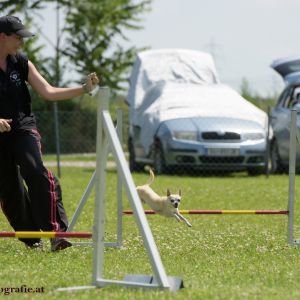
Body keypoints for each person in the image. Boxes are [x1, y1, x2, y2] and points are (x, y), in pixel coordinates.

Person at [0, 16, 99, 251]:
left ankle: (57, 233)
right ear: (2, 37)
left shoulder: (22, 63)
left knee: (35, 170)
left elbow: (49, 92)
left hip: (23, 127)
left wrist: (84, 89)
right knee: (8, 187)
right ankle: (31, 238)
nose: (22, 43)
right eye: (18, 37)